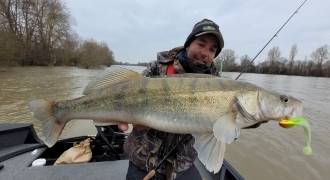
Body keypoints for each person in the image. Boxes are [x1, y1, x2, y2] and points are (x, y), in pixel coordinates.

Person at [119, 19, 224, 180]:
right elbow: (125, 96)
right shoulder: (157, 68)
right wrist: (122, 118)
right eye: (201, 44)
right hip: (142, 161)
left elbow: (230, 131)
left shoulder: (220, 85)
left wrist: (249, 121)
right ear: (188, 44)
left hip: (183, 165)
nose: (205, 52)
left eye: (212, 49)